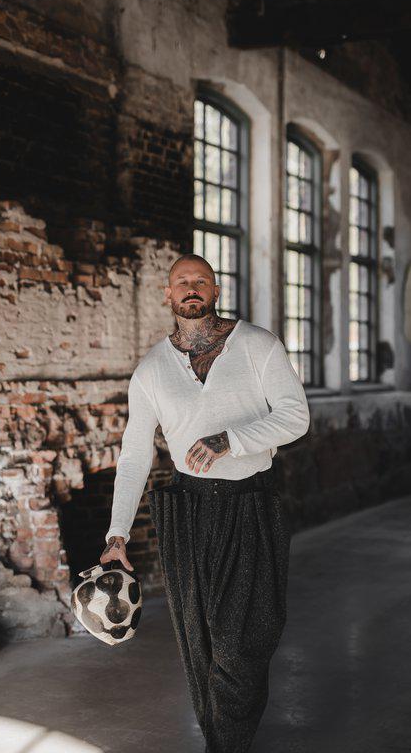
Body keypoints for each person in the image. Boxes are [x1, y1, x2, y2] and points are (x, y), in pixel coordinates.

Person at [100, 253, 310, 753]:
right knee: (201, 646)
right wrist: (117, 535)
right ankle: (224, 745)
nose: (191, 287)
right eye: (182, 282)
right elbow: (134, 457)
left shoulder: (258, 345)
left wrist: (229, 441)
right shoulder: (151, 370)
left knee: (244, 642)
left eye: (201, 280)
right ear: (168, 294)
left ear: (215, 290)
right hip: (187, 510)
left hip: (250, 503)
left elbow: (295, 417)